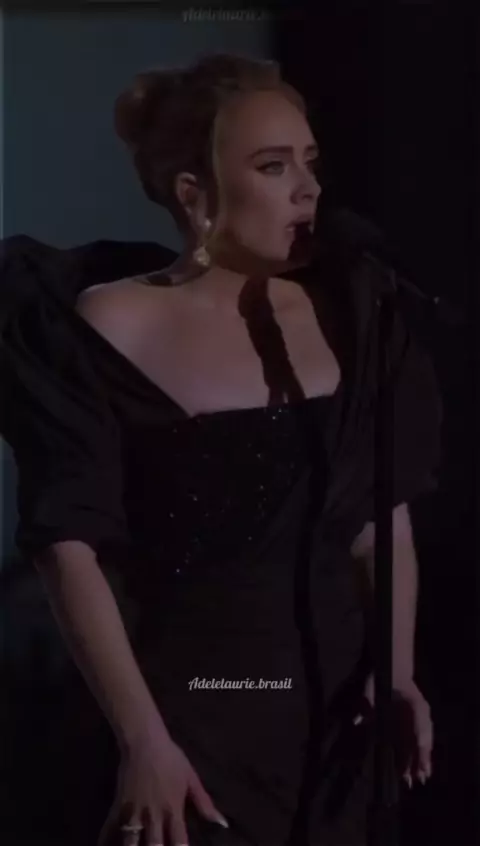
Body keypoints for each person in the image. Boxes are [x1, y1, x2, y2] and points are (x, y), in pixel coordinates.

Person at [0, 53, 441, 846]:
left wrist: (397, 671)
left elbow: (382, 523)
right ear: (193, 193)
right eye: (273, 166)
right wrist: (143, 741)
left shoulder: (354, 317)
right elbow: (68, 548)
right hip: (182, 725)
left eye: (310, 162)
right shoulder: (112, 322)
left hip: (340, 729)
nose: (307, 189)